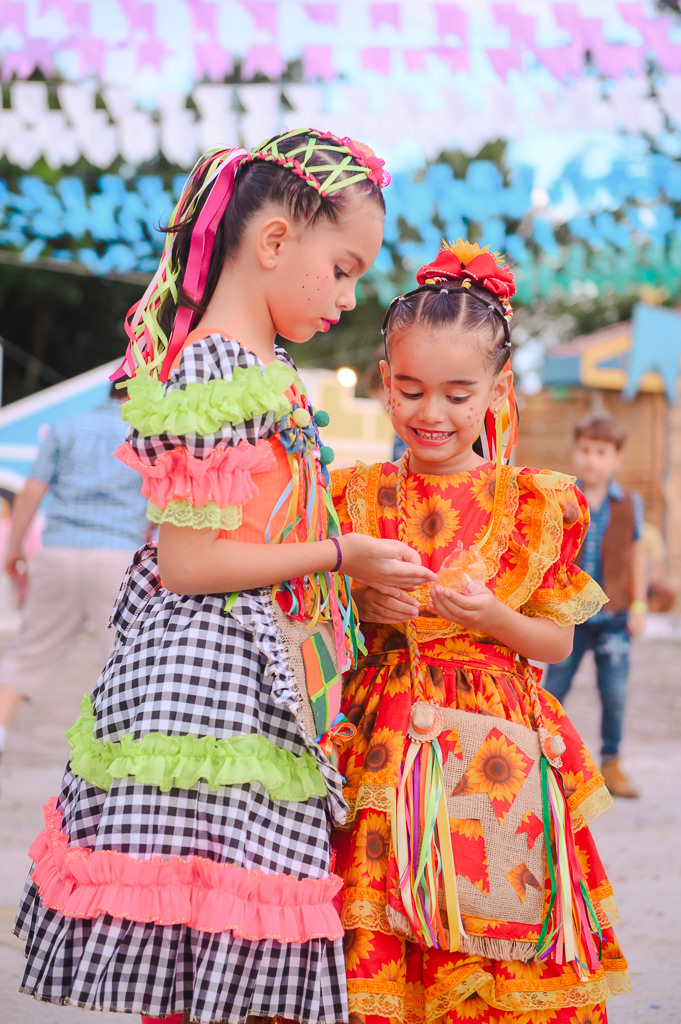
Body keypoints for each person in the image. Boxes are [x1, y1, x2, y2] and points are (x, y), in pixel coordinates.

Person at [12, 129, 436, 1024]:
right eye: (345, 266)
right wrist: (340, 556)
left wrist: (347, 580)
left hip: (242, 680)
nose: (350, 296)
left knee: (219, 958)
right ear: (275, 242)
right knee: (215, 948)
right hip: (211, 689)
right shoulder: (217, 367)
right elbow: (191, 562)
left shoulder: (252, 368)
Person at [331, 241, 630, 1024]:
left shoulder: (535, 502)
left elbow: (556, 646)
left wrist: (496, 619)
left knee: (496, 921)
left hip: (494, 753)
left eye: (458, 394)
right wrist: (362, 607)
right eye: (410, 389)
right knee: (382, 914)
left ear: (497, 389)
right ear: (383, 380)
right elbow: (316, 627)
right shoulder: (350, 494)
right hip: (381, 747)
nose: (431, 413)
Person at [0, 380, 149, 759]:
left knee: (29, 651)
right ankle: (125, 751)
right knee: (125, 658)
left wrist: (14, 547)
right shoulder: (145, 434)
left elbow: (32, 490)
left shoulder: (67, 426)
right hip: (118, 557)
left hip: (59, 551)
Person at [543, 412, 646, 799]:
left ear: (616, 458)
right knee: (553, 687)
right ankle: (546, 759)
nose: (591, 459)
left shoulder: (629, 503)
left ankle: (612, 763)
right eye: (585, 450)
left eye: (601, 452)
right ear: (575, 451)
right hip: (569, 617)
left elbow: (636, 555)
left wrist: (638, 604)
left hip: (614, 617)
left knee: (615, 693)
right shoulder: (564, 499)